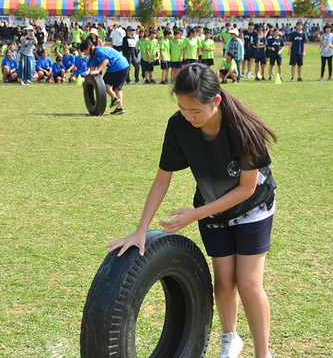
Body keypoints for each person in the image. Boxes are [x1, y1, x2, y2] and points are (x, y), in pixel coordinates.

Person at [106, 63, 277, 358]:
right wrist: (141, 231)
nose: (189, 117)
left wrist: (196, 214)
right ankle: (230, 340)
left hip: (252, 207)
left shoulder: (243, 129)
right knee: (224, 281)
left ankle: (263, 353)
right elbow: (162, 180)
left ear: (216, 101)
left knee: (248, 282)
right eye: (183, 109)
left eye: (196, 111)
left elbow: (246, 189)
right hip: (213, 211)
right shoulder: (179, 126)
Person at [80, 39, 130, 115]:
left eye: (85, 52)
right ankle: (119, 108)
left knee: (104, 83)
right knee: (117, 88)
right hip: (125, 66)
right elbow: (92, 70)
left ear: (89, 47)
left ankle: (114, 98)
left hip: (117, 66)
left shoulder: (99, 50)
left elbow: (106, 60)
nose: (85, 54)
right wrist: (86, 81)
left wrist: (98, 70)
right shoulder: (94, 56)